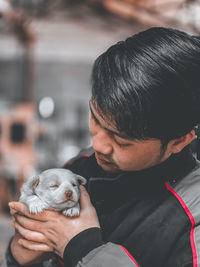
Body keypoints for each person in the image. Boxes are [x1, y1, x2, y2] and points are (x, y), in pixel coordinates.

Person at [6, 27, 200, 267]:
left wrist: (83, 247)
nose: (98, 145)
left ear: (179, 141)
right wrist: (20, 254)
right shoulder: (80, 165)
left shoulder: (193, 216)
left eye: (122, 141)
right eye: (96, 118)